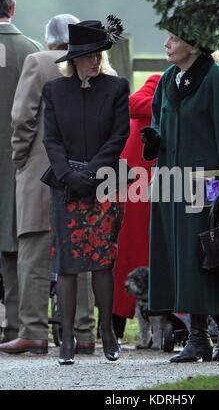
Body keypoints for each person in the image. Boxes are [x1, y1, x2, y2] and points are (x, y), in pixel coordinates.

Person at [141, 30, 219, 363]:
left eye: (173, 39)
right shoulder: (167, 80)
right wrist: (154, 140)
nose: (166, 45)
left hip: (210, 182)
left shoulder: (218, 80)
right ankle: (201, 337)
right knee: (184, 259)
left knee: (210, 257)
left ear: (193, 44)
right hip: (174, 183)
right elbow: (159, 122)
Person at [0, 15, 96, 355]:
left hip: (42, 174)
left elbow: (22, 117)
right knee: (81, 257)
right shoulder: (95, 65)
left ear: (49, 39)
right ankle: (84, 334)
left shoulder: (40, 61)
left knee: (34, 255)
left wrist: (20, 160)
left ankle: (34, 331)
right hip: (84, 176)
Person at [42, 18, 129, 364]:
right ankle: (66, 341)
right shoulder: (54, 91)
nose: (95, 60)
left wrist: (91, 174)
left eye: (99, 54)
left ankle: (106, 332)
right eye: (89, 54)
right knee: (66, 264)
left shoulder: (116, 87)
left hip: (102, 184)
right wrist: (67, 173)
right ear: (74, 57)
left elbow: (118, 137)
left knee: (101, 262)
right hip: (64, 185)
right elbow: (51, 139)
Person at [0, 0, 43, 343]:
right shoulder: (34, 52)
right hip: (19, 164)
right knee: (15, 249)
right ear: (12, 7)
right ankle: (15, 326)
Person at [112, 74, 161, 338]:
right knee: (129, 248)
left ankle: (169, 324)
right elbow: (133, 104)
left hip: (169, 180)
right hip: (136, 180)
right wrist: (171, 103)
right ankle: (114, 324)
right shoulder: (160, 81)